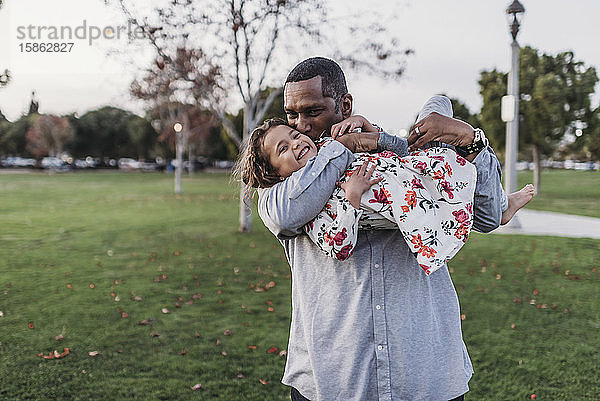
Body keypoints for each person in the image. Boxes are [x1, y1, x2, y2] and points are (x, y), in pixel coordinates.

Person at [255, 57, 520, 401]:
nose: (301, 126)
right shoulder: (282, 179)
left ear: (345, 105)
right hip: (333, 379)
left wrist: (470, 141)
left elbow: (484, 217)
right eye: (292, 115)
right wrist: (342, 148)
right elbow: (284, 214)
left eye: (312, 111)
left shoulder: (387, 155)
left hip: (426, 374)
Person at [237, 117, 533, 275]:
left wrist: (372, 132)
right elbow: (338, 246)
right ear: (275, 173)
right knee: (457, 201)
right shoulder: (301, 201)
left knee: (447, 141)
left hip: (412, 174)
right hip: (411, 199)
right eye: (283, 149)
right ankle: (500, 209)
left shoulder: (328, 147)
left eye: (293, 135)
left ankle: (501, 205)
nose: (298, 137)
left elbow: (386, 146)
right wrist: (352, 200)